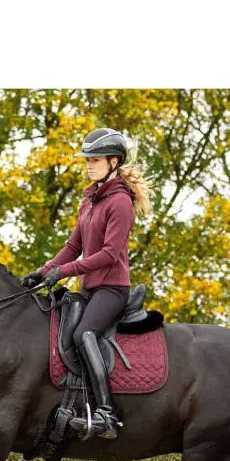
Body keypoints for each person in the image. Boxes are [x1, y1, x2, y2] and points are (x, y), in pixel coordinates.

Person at [22, 128, 152, 439]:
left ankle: (107, 414)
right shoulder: (90, 200)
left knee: (84, 334)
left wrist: (66, 271)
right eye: (87, 160)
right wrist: (43, 272)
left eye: (95, 160)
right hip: (89, 289)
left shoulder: (120, 202)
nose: (89, 165)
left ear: (114, 162)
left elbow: (109, 254)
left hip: (112, 289)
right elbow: (72, 246)